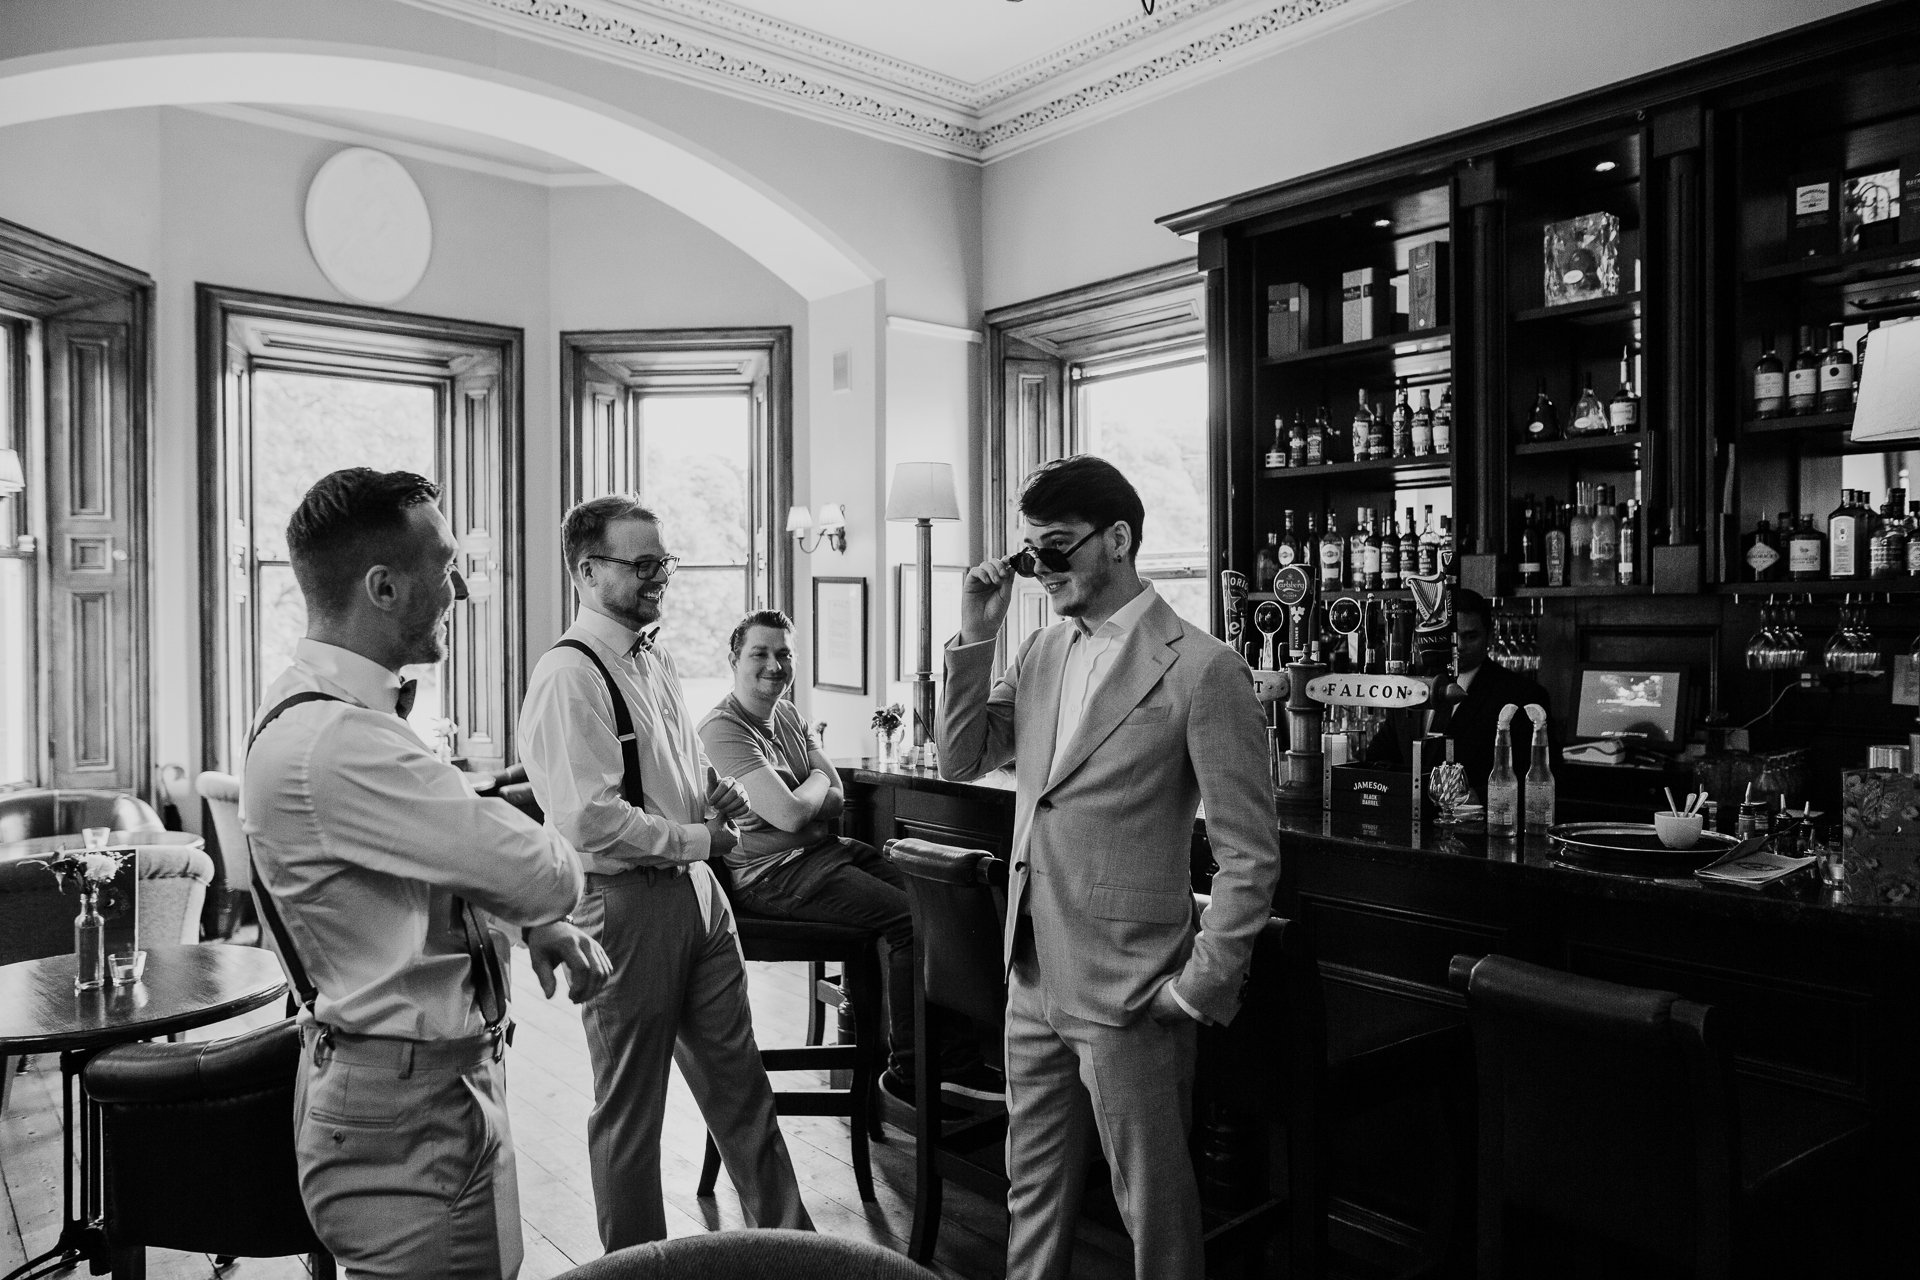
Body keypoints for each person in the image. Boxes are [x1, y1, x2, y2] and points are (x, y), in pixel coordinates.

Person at [244, 467, 611, 1280]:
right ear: (382, 587)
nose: (460, 587)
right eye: (445, 567)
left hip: (426, 1088)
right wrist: (552, 841)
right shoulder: (337, 742)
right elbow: (551, 872)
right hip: (402, 1110)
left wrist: (528, 922)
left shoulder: (330, 711)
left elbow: (419, 871)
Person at [938, 455, 1281, 1280]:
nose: (1039, 570)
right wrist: (975, 627)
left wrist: (1201, 985)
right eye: (1030, 554)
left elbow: (1249, 852)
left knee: (1154, 1211)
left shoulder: (1203, 669)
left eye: (1055, 549)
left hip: (1134, 989)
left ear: (1118, 539)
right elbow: (961, 758)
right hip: (1032, 969)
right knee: (1034, 1196)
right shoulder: (1043, 650)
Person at [518, 495, 812, 1250]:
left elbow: (668, 776)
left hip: (700, 900)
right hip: (624, 909)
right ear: (586, 570)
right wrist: (696, 836)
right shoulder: (567, 676)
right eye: (642, 564)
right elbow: (586, 818)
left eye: (663, 563)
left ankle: (801, 1256)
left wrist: (704, 797)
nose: (660, 578)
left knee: (742, 1090)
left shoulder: (657, 655)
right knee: (630, 1112)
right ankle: (636, 1269)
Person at [696, 610, 1001, 1104]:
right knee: (910, 920)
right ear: (734, 659)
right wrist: (810, 789)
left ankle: (955, 1060)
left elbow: (834, 793)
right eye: (760, 653)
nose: (774, 665)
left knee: (938, 901)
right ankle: (912, 1069)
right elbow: (794, 813)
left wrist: (805, 792)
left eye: (784, 654)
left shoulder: (789, 714)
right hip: (770, 875)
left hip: (823, 853)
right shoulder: (722, 730)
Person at [1436, 588, 1555, 801]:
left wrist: (1479, 797)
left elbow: (1535, 777)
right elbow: (1380, 755)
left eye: (1470, 636)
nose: (1460, 646)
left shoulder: (1522, 695)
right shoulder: (1414, 687)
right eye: (1451, 636)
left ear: (1489, 636)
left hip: (1480, 826)